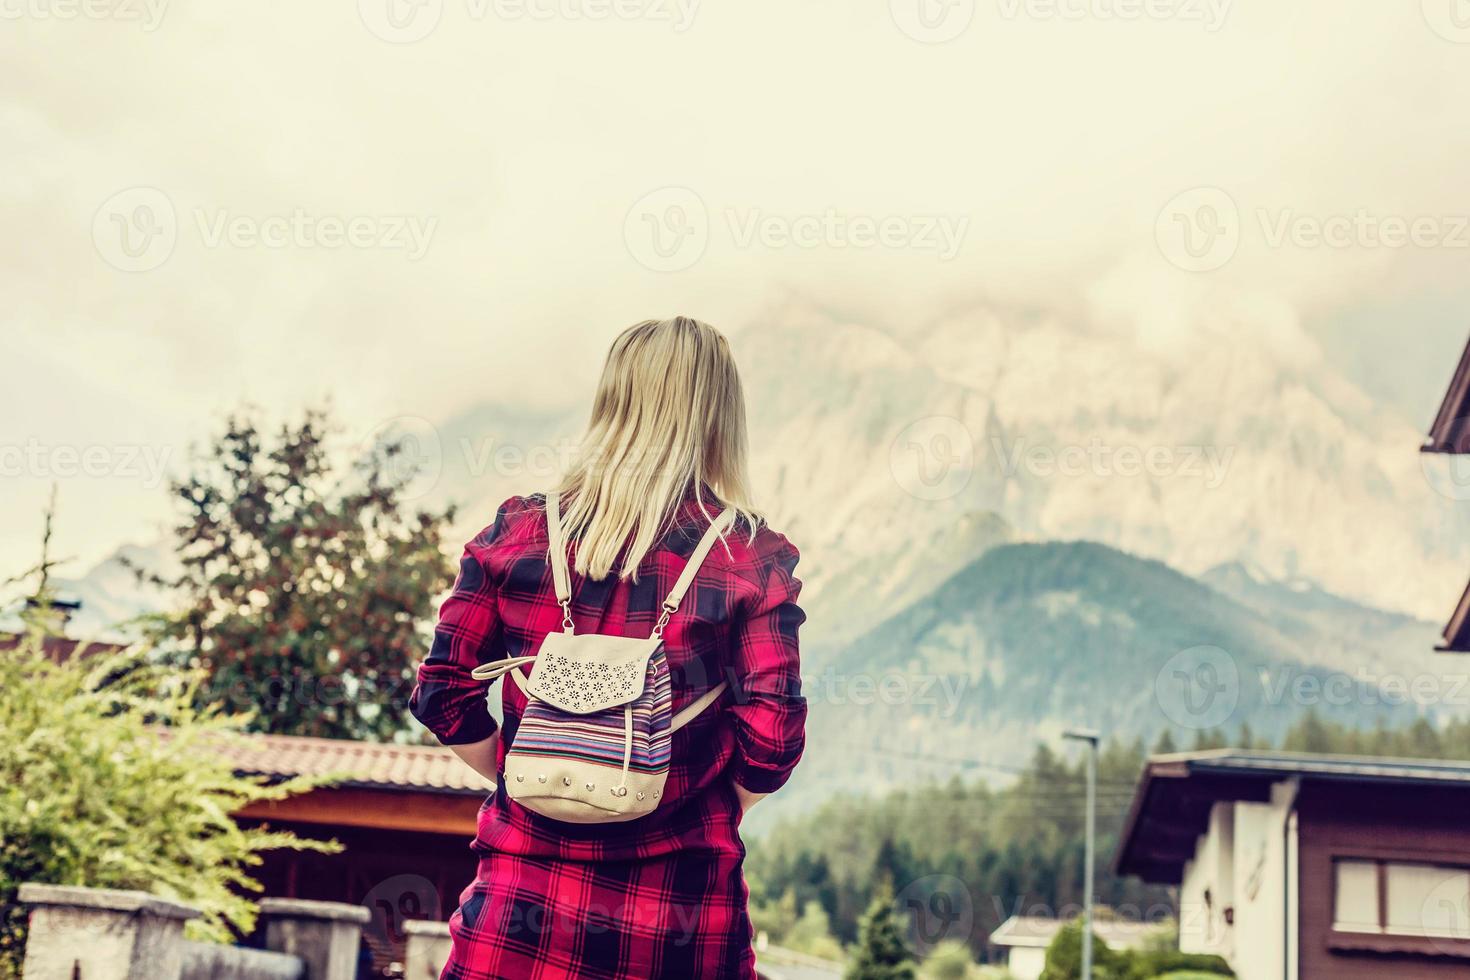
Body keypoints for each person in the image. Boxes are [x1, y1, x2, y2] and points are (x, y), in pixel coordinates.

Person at [410, 316, 806, 979]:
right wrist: (675, 796)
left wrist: (540, 771)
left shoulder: (521, 532)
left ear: (612, 401)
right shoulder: (750, 557)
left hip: (517, 916)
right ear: (718, 415)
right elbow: (771, 739)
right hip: (680, 922)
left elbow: (444, 689)